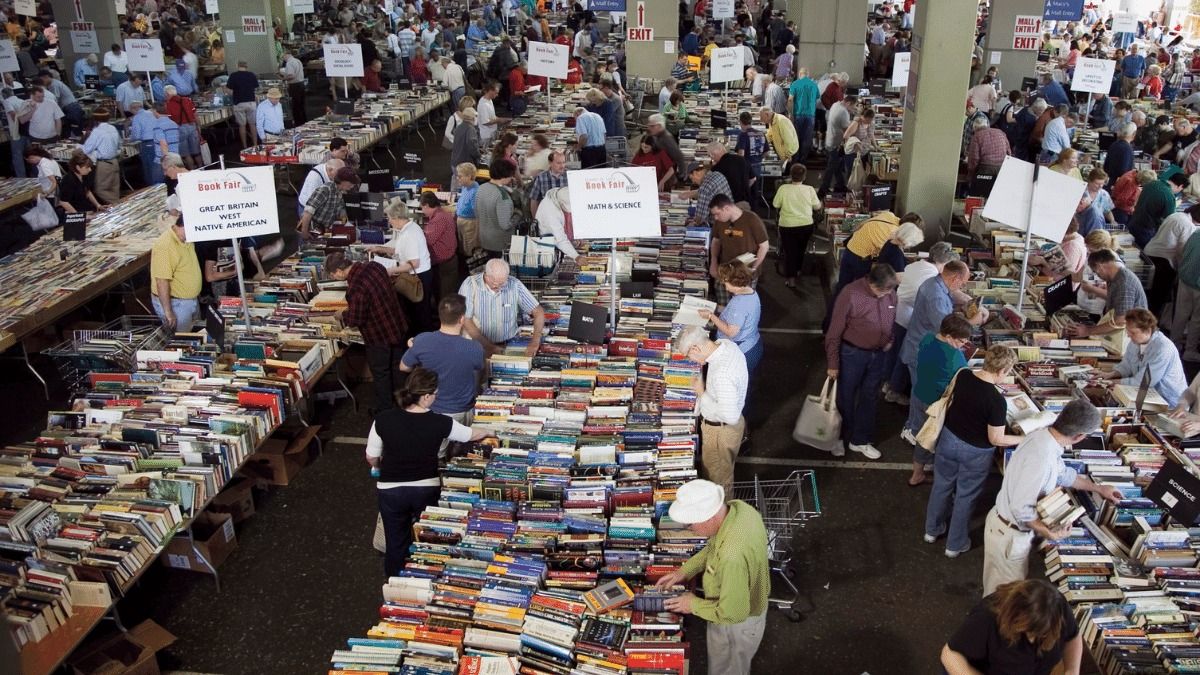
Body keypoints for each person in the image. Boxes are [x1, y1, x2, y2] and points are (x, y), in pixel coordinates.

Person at [984, 402, 1123, 595]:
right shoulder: (1041, 458)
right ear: (1080, 436)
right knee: (1004, 599)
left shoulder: (1044, 438)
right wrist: (1047, 532)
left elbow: (1063, 474)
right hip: (1009, 536)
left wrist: (1098, 488)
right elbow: (1021, 508)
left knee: (998, 591)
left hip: (1004, 527)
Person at [368, 366, 489, 575]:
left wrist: (378, 466)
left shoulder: (383, 419)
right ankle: (425, 573)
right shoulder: (440, 422)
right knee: (428, 537)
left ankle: (395, 582)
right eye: (435, 394)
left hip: (390, 489)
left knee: (395, 540)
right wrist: (490, 431)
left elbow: (371, 456)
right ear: (425, 397)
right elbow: (470, 435)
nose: (436, 397)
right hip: (425, 487)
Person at [654, 479, 769, 675]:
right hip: (740, 599)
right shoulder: (739, 510)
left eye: (691, 524)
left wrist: (693, 604)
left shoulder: (731, 557)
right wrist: (685, 571)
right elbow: (713, 547)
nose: (690, 528)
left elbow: (733, 614)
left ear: (710, 518)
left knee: (728, 669)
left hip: (735, 625)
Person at [924, 345, 1025, 558]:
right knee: (965, 496)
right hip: (975, 452)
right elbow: (996, 438)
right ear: (1003, 371)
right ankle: (955, 544)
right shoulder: (996, 401)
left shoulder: (964, 376)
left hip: (948, 440)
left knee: (942, 485)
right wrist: (1024, 439)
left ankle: (931, 530)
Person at [825, 264, 898, 461]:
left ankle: (860, 440)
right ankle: (838, 437)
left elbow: (891, 319)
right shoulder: (850, 294)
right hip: (852, 354)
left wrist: (889, 341)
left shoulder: (890, 294)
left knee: (870, 397)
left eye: (890, 291)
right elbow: (834, 331)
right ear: (871, 282)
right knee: (845, 397)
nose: (887, 295)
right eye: (882, 290)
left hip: (878, 355)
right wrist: (833, 363)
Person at [326, 251, 409, 413]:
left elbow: (356, 320)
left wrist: (342, 314)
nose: (335, 278)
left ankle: (385, 409)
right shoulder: (375, 267)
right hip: (397, 325)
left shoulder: (356, 288)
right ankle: (404, 403)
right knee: (398, 367)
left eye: (333, 276)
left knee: (381, 373)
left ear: (338, 271)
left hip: (378, 336)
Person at [942, 579, 1083, 673]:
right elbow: (949, 654)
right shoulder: (986, 617)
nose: (1033, 640)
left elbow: (1073, 637)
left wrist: (1072, 671)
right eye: (1030, 631)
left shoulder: (1055, 605)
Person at [675, 326, 748, 494]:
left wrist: (702, 393)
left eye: (688, 355)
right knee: (722, 473)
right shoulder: (727, 345)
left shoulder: (722, 373)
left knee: (719, 481)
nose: (690, 359)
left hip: (720, 431)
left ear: (696, 348)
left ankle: (722, 516)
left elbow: (729, 416)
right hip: (727, 427)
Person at [887, 241, 957, 405]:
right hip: (907, 318)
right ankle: (895, 391)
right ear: (944, 263)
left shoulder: (917, 265)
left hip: (898, 313)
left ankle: (890, 387)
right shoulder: (932, 277)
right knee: (905, 360)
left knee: (900, 356)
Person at [906, 314, 973, 487]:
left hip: (920, 395)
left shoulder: (928, 338)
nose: (963, 345)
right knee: (940, 441)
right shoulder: (954, 357)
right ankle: (943, 479)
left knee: (923, 437)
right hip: (937, 404)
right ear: (949, 336)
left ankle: (917, 474)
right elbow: (964, 379)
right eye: (961, 341)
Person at [1095, 309, 1187, 408]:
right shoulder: (1136, 342)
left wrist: (1111, 382)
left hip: (1169, 403)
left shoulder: (1163, 348)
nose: (1128, 335)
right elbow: (1127, 365)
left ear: (1148, 330)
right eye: (1127, 330)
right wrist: (1110, 375)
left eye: (1133, 332)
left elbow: (1144, 382)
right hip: (1146, 396)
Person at [458, 258, 546, 357]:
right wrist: (489, 346)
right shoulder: (470, 284)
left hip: (507, 345)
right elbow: (466, 319)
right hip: (477, 346)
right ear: (486, 276)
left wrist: (535, 340)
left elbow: (538, 311)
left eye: (503, 283)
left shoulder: (514, 284)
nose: (500, 288)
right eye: (496, 285)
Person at [371, 198, 434, 332]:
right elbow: (401, 251)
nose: (388, 221)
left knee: (420, 313)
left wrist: (390, 270)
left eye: (389, 218)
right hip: (418, 275)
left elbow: (414, 263)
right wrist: (381, 249)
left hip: (417, 278)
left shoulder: (409, 234)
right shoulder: (408, 228)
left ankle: (422, 339)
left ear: (397, 217)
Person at [834, 211, 923, 298]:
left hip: (849, 249)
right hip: (860, 259)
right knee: (862, 291)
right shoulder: (892, 233)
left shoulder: (889, 215)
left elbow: (861, 224)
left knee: (842, 286)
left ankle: (834, 311)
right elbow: (887, 254)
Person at [698, 261, 763, 377]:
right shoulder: (750, 292)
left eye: (726, 282)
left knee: (736, 382)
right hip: (752, 344)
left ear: (735, 282)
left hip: (741, 350)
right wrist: (714, 307)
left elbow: (730, 332)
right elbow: (733, 313)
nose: (725, 285)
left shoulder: (739, 303)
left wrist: (710, 316)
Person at [1068, 248, 1148, 337]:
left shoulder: (1123, 283)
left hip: (1133, 333)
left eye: (1095, 272)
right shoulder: (1114, 278)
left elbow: (1120, 321)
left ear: (1100, 266)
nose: (1097, 275)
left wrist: (1088, 331)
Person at [708, 195, 769, 305]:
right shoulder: (720, 222)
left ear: (726, 208)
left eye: (717, 214)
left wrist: (754, 268)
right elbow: (716, 241)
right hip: (725, 270)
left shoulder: (752, 220)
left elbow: (764, 246)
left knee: (743, 305)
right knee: (723, 306)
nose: (715, 218)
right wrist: (713, 261)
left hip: (745, 272)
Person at [1144, 205, 1200, 315]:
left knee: (1150, 293)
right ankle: (1152, 321)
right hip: (1163, 261)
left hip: (1150, 251)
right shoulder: (1189, 226)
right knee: (1158, 297)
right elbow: (1182, 251)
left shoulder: (1177, 215)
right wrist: (1180, 270)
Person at [150, 214, 202, 333]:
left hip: (189, 301)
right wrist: (168, 312)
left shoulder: (186, 238)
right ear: (185, 226)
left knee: (194, 335)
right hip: (177, 304)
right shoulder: (165, 245)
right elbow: (162, 281)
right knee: (182, 341)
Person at [773, 163, 821, 289]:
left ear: (790, 175)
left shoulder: (783, 188)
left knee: (789, 251)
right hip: (805, 225)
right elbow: (817, 207)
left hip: (787, 225)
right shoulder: (810, 189)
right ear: (804, 177)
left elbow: (775, 204)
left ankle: (791, 278)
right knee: (800, 249)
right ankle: (798, 269)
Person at [1128, 170, 1186, 249]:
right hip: (1146, 230)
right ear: (1180, 186)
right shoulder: (1169, 196)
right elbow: (1169, 220)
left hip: (1133, 222)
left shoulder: (1151, 183)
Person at [418, 192, 459, 301]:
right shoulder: (442, 214)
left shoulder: (438, 219)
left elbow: (428, 240)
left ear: (426, 206)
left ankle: (443, 317)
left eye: (422, 208)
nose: (422, 211)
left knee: (444, 298)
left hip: (444, 265)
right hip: (446, 261)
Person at [475, 158, 519, 258]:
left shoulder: (481, 188)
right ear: (505, 175)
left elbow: (477, 214)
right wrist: (518, 214)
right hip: (499, 244)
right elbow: (505, 225)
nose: (511, 178)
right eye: (511, 175)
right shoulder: (502, 196)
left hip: (484, 239)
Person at [298, 167, 359, 239]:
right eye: (351, 183)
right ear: (344, 181)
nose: (352, 186)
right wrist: (304, 231)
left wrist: (347, 227)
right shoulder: (325, 190)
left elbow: (342, 215)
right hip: (310, 229)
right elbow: (308, 212)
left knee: (356, 233)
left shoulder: (340, 194)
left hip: (322, 230)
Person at [79, 113, 121, 205]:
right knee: (114, 188)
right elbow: (119, 146)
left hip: (104, 164)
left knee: (100, 189)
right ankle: (117, 210)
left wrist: (80, 146)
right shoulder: (113, 128)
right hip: (115, 162)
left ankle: (119, 205)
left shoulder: (97, 131)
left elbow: (86, 149)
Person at [534, 186, 576, 260]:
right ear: (562, 204)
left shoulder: (559, 196)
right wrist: (576, 256)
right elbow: (560, 240)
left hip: (557, 243)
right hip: (549, 247)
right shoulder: (550, 211)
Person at [787, 67, 819, 163]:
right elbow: (817, 97)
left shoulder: (795, 84)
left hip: (798, 114)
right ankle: (803, 161)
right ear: (808, 74)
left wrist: (790, 113)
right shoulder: (814, 85)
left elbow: (790, 99)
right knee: (807, 138)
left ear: (800, 74)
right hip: (810, 115)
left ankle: (795, 160)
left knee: (796, 137)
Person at [224, 61, 259, 148]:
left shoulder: (233, 75)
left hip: (239, 103)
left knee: (242, 126)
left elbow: (228, 90)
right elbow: (256, 87)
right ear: (246, 66)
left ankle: (245, 146)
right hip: (251, 102)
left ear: (237, 66)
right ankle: (255, 144)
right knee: (252, 124)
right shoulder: (251, 75)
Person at [688, 162, 733, 228]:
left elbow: (700, 218)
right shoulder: (717, 174)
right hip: (731, 218)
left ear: (695, 173)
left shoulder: (704, 187)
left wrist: (690, 225)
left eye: (691, 178)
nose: (693, 182)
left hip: (719, 224)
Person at [527, 150, 567, 217]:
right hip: (548, 216)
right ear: (550, 163)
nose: (562, 166)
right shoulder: (541, 177)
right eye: (558, 163)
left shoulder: (569, 175)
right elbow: (534, 200)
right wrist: (536, 219)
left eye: (563, 162)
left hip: (566, 215)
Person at [646, 114, 687, 178]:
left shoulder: (666, 138)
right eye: (649, 126)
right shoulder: (655, 136)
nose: (649, 128)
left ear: (659, 126)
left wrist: (682, 175)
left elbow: (679, 157)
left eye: (652, 126)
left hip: (665, 174)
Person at [449, 107, 481, 189]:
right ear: (472, 118)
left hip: (455, 161)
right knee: (465, 188)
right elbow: (472, 147)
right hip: (464, 163)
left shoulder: (459, 127)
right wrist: (478, 156)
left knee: (456, 185)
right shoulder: (470, 129)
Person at [455, 162, 481, 257]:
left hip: (470, 224)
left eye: (460, 176)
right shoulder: (465, 187)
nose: (458, 178)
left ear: (469, 176)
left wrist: (477, 233)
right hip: (462, 222)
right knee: (462, 250)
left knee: (470, 251)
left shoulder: (475, 191)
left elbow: (478, 214)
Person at [279, 50, 306, 124]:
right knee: (301, 105)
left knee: (295, 105)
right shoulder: (297, 61)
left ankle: (298, 123)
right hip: (301, 84)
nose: (283, 59)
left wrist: (283, 78)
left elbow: (291, 75)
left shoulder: (289, 63)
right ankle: (304, 121)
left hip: (295, 86)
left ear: (286, 55)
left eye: (283, 57)